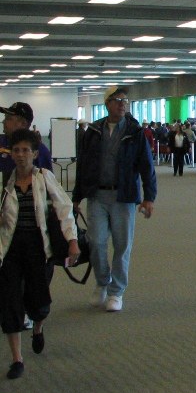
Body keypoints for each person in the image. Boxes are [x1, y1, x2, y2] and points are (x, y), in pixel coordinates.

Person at [0, 129, 80, 379]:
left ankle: (37, 327)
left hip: (38, 247)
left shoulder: (44, 178)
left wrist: (73, 241)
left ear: (35, 154)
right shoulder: (4, 181)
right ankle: (17, 359)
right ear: (11, 154)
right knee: (9, 302)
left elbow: (64, 209)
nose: (21, 155)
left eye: (26, 150)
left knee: (39, 301)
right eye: (16, 150)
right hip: (9, 249)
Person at [72, 86, 156, 313]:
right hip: (97, 195)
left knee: (122, 245)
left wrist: (149, 197)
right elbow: (84, 165)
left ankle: (116, 292)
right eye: (118, 100)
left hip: (124, 196)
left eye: (125, 101)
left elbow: (147, 166)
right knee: (96, 242)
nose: (122, 104)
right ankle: (102, 281)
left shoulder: (134, 131)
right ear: (107, 103)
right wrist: (77, 196)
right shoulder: (94, 131)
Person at [0, 102, 53, 186]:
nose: (3, 122)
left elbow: (46, 185)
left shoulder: (39, 151)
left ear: (23, 124)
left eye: (8, 118)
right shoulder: (3, 142)